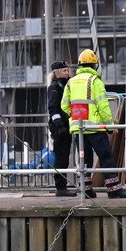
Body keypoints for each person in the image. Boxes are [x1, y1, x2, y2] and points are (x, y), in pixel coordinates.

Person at [61, 48, 126, 199]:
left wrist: (74, 116)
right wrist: (110, 126)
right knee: (106, 157)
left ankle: (86, 190)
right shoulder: (95, 81)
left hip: (79, 130)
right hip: (95, 128)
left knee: (84, 160)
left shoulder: (70, 82)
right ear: (94, 65)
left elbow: (64, 106)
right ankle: (114, 189)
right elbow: (103, 106)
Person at [45, 60, 75, 196]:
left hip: (67, 125)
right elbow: (53, 108)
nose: (67, 72)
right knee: (61, 156)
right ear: (56, 73)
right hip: (59, 127)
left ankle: (63, 185)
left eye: (67, 70)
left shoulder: (66, 85)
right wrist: (60, 126)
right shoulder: (54, 87)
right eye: (64, 71)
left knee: (65, 155)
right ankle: (60, 187)